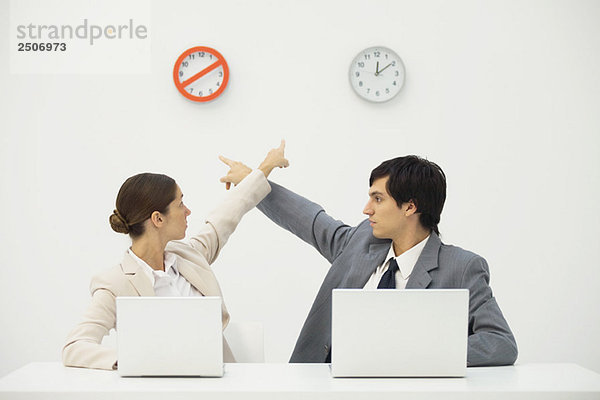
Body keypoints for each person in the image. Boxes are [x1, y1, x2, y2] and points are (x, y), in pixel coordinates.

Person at [220, 155, 518, 367]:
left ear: (409, 207)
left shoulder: (462, 267)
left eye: (378, 199)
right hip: (319, 387)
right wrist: (251, 183)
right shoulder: (362, 242)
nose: (366, 209)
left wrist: (418, 353)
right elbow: (308, 219)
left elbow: (500, 343)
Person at [62, 141, 289, 370]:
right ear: (158, 219)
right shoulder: (114, 283)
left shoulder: (189, 256)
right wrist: (131, 361)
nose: (188, 211)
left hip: (218, 389)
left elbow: (227, 214)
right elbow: (76, 346)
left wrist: (266, 166)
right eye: (181, 203)